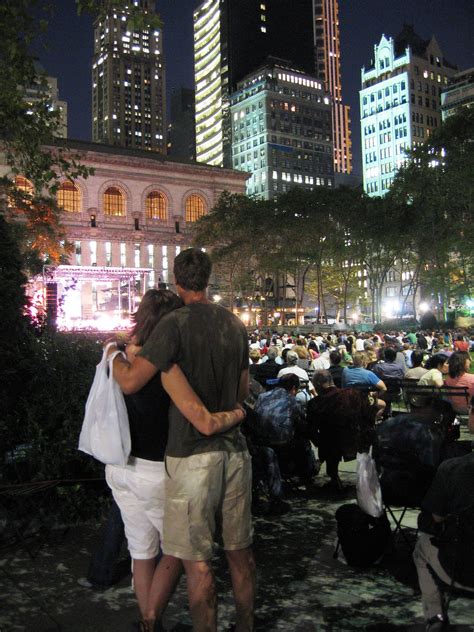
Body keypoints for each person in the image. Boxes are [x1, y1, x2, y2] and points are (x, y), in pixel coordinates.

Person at [111, 249, 255, 632]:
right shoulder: (236, 325)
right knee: (240, 555)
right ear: (209, 279)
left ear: (176, 280)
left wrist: (113, 353)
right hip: (236, 452)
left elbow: (130, 382)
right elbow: (241, 392)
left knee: (198, 561)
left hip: (191, 456)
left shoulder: (173, 324)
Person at [413, 451, 474, 631]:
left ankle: (435, 616)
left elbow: (436, 518)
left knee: (421, 548)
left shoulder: (452, 467)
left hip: (459, 568)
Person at [307, 371, 376, 491]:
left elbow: (311, 429)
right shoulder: (354, 394)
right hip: (358, 438)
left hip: (332, 443)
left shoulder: (314, 404)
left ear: (318, 385)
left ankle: (333, 476)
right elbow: (369, 415)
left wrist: (319, 442)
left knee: (326, 437)